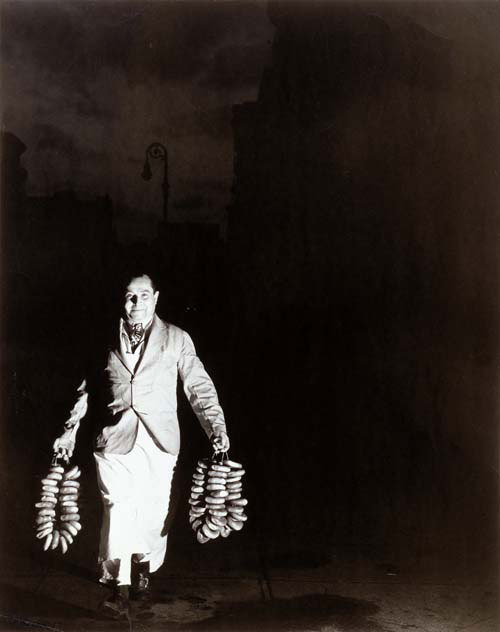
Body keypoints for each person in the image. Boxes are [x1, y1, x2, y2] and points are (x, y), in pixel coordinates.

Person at [52, 272, 229, 618]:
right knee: (117, 507)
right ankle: (118, 586)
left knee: (153, 512)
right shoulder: (103, 337)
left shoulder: (176, 338)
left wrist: (216, 430)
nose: (136, 303)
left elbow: (199, 388)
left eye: (143, 296)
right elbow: (84, 391)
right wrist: (68, 431)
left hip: (159, 441)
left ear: (156, 298)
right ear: (122, 299)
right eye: (130, 296)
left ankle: (143, 564)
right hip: (114, 440)